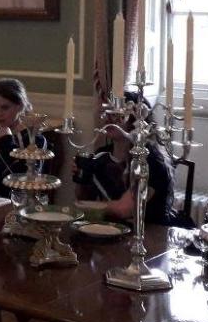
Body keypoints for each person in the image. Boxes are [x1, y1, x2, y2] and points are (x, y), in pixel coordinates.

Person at [73, 91, 189, 227]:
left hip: (152, 234)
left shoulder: (149, 160)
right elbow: (83, 199)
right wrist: (80, 178)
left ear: (136, 121)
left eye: (118, 115)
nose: (108, 119)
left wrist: (90, 206)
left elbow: (124, 210)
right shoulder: (101, 155)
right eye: (108, 113)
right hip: (113, 231)